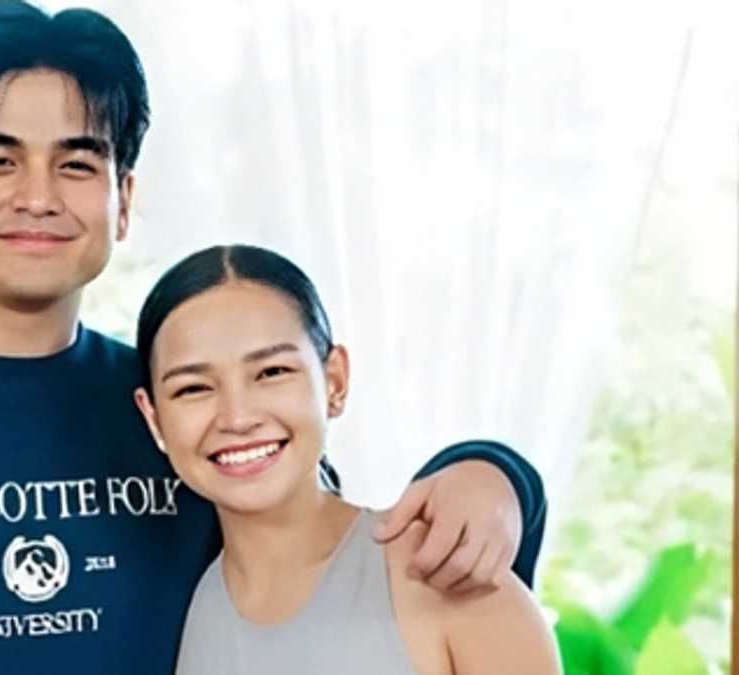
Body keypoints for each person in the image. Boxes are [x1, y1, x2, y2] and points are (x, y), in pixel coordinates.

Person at [0, 3, 547, 673]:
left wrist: (496, 474)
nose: (38, 195)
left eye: (77, 162)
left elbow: (335, 554)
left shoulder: (184, 411)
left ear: (122, 200)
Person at [133, 244, 560, 674]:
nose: (238, 418)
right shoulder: (181, 610)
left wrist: (491, 471)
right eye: (193, 388)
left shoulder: (451, 577)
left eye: (272, 372)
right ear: (154, 419)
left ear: (334, 381)